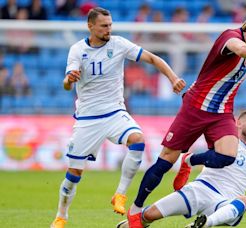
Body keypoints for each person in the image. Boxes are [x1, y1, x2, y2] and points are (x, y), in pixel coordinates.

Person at [125, 13, 246, 227]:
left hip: (222, 112)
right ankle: (136, 209)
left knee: (228, 155)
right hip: (196, 106)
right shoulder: (230, 38)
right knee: (165, 160)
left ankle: (189, 160)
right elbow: (242, 50)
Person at [50, 7, 186, 228]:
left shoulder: (119, 44)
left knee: (138, 140)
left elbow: (152, 58)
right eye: (104, 26)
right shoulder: (77, 50)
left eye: (110, 25)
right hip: (87, 119)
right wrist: (69, 79)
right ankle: (61, 215)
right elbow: (67, 84)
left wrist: (173, 77)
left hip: (115, 111)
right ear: (90, 26)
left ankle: (120, 194)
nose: (108, 29)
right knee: (74, 173)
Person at [117, 110, 246, 228]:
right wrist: (189, 161)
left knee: (244, 200)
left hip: (224, 203)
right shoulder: (224, 141)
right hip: (199, 189)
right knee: (148, 215)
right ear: (238, 123)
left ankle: (204, 224)